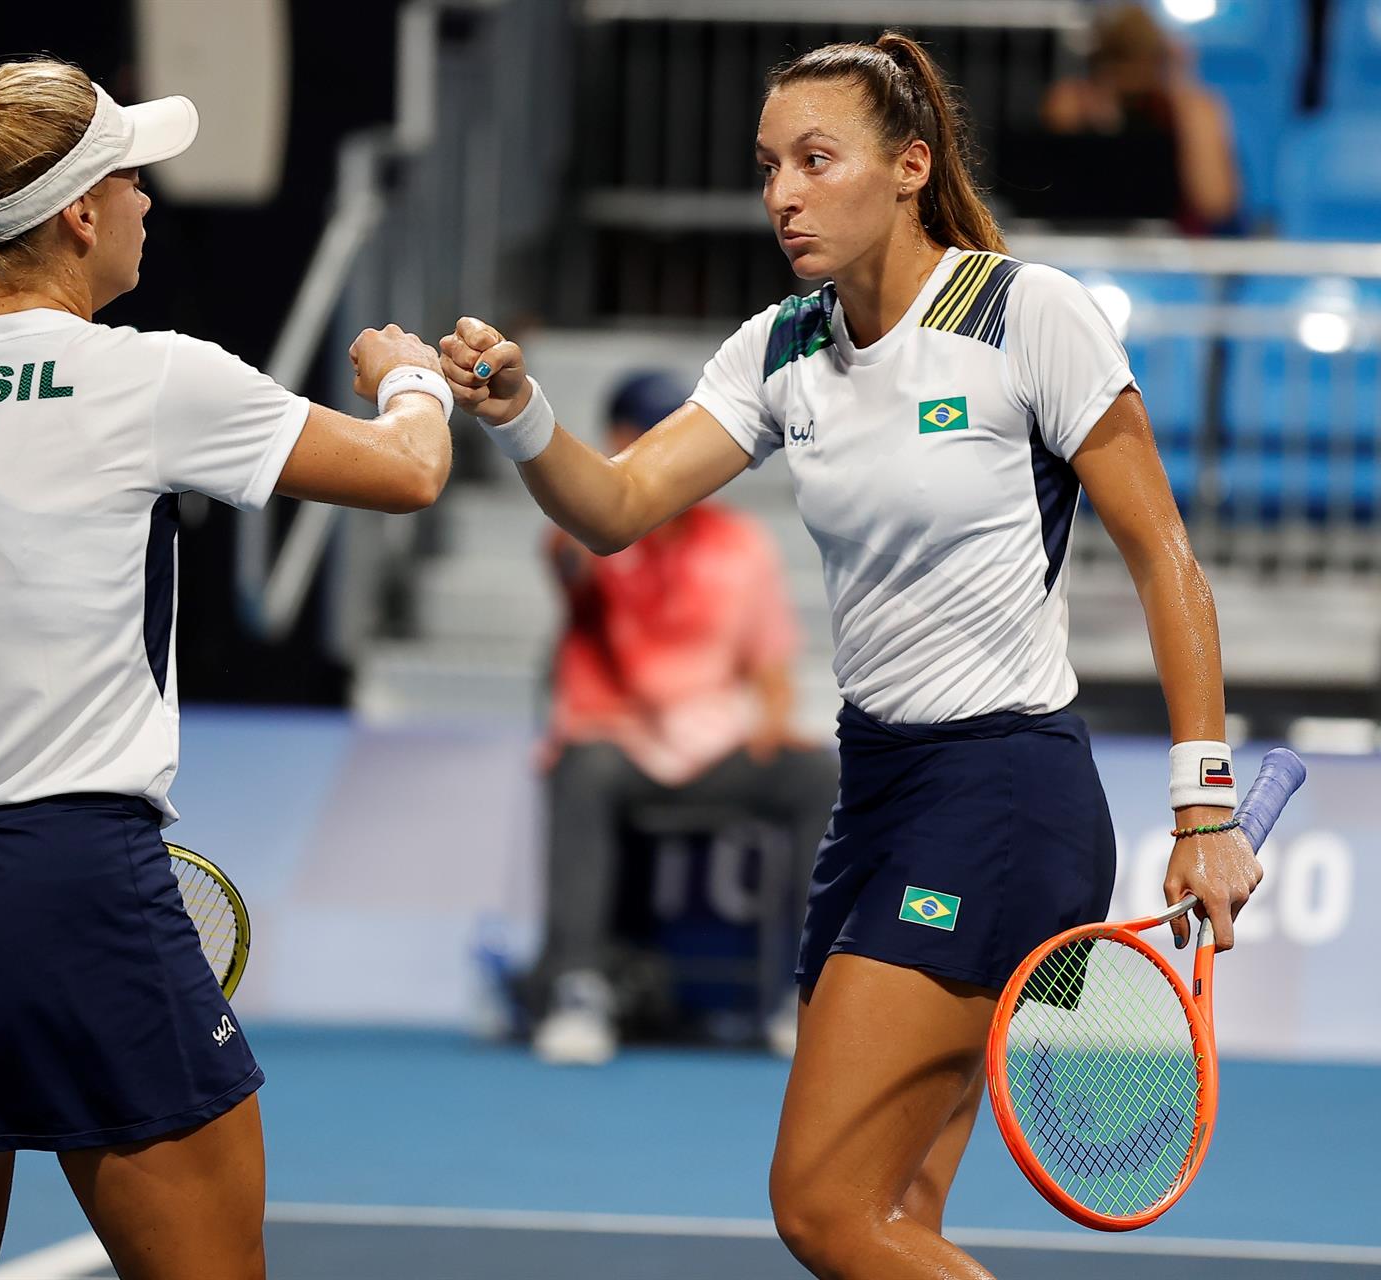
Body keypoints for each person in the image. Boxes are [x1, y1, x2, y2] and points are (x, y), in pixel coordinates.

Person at [438, 32, 1261, 1280]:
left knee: (823, 1208)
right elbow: (612, 507)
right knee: (892, 1227)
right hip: (875, 796)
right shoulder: (780, 348)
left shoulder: (1024, 313)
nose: (783, 193)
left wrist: (1204, 804)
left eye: (817, 160)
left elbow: (1166, 557)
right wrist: (521, 413)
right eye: (770, 165)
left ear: (909, 167)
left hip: (1000, 795)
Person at [0, 53, 454, 1280]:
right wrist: (410, 375)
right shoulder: (154, 374)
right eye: (135, 176)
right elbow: (410, 471)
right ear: (83, 210)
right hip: (81, 886)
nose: (150, 199)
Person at [533, 370, 837, 1066]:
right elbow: (565, 558)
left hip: (716, 746)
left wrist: (773, 718)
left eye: (678, 429)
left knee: (814, 774)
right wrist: (605, 488)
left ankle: (808, 990)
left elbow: (769, 664)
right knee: (581, 771)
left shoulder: (741, 545)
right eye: (647, 431)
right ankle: (577, 987)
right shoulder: (588, 528)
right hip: (618, 746)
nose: (668, 445)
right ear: (616, 440)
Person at [1036, 3, 1242, 235]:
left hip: (1173, 255)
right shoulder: (1072, 101)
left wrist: (1180, 95)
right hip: (1083, 244)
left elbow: (1215, 204)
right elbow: (1045, 193)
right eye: (1117, 59)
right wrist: (1105, 118)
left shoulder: (1193, 110)